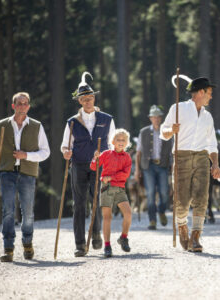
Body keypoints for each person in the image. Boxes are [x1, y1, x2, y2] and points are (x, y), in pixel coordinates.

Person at [160, 77, 220, 252]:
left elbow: (212, 143)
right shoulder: (178, 109)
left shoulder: (208, 116)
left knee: (202, 197)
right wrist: (172, 130)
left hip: (202, 157)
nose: (211, 97)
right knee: (182, 199)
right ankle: (182, 227)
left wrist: (215, 163)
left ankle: (195, 236)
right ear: (200, 92)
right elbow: (163, 131)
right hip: (182, 156)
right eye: (209, 93)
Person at [61, 71, 115, 257]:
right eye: (84, 99)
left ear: (94, 98)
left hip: (99, 166)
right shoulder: (72, 122)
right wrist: (66, 152)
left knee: (97, 202)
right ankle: (79, 244)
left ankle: (96, 235)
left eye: (90, 98)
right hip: (78, 165)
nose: (88, 101)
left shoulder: (107, 119)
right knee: (79, 204)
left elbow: (114, 143)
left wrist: (107, 155)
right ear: (79, 101)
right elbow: (65, 146)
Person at [0, 92, 50, 262]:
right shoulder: (1, 125)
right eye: (19, 103)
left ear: (29, 106)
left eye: (25, 103)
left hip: (28, 173)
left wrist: (25, 155)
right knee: (8, 211)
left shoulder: (36, 126)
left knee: (28, 212)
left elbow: (45, 152)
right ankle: (8, 248)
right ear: (13, 106)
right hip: (6, 173)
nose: (22, 106)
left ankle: (27, 243)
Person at [90, 129, 132, 258]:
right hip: (106, 188)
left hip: (119, 188)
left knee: (128, 213)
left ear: (127, 143)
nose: (120, 142)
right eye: (118, 140)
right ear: (113, 141)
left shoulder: (127, 157)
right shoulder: (106, 154)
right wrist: (95, 158)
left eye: (123, 140)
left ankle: (123, 237)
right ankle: (107, 246)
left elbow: (126, 174)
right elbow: (93, 167)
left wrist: (112, 177)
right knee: (107, 217)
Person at [135, 105, 172, 230]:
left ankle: (161, 211)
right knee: (150, 193)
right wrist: (137, 170)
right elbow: (138, 152)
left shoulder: (167, 131)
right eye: (153, 117)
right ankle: (152, 220)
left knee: (164, 192)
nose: (156, 119)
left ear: (161, 118)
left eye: (158, 117)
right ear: (150, 118)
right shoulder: (143, 132)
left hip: (162, 165)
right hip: (148, 166)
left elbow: (172, 151)